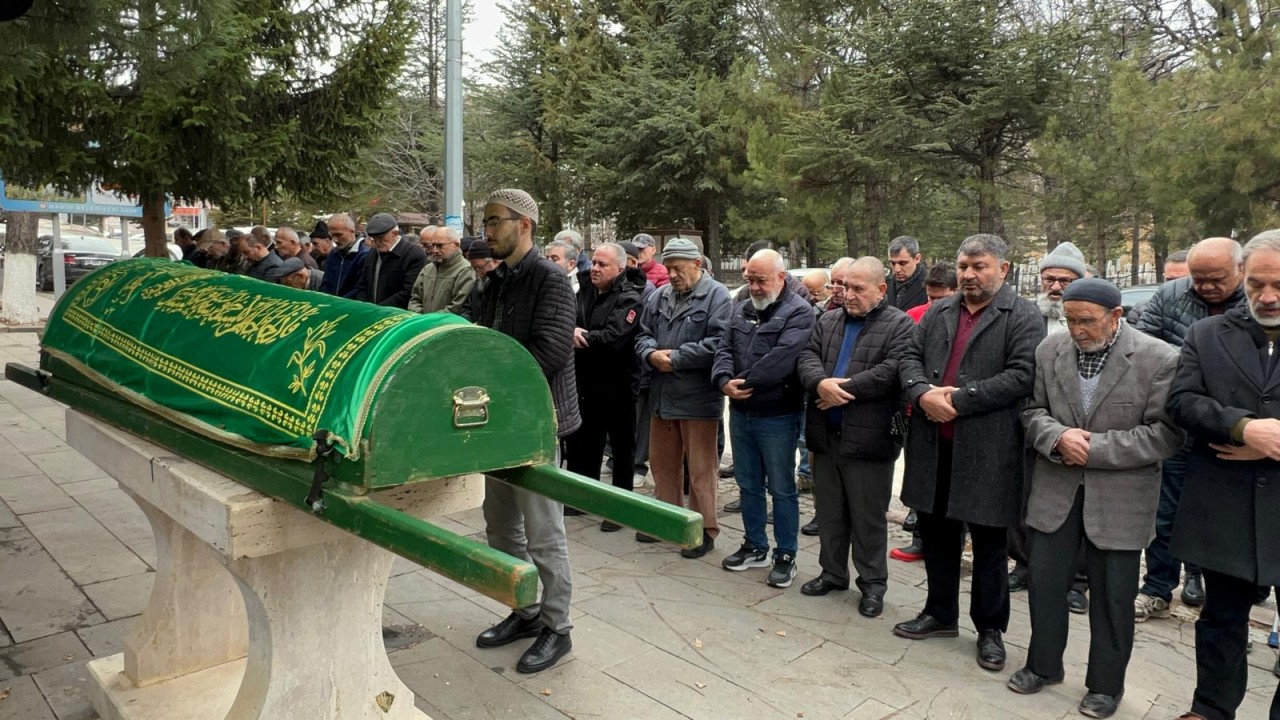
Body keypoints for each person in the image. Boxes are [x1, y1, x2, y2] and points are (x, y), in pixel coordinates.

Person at [1009, 278, 1182, 719]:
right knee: (1045, 586)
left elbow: (1166, 434)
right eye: (1069, 320)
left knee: (1112, 597)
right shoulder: (1050, 351)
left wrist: (1095, 449)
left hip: (1120, 500)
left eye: (1087, 321)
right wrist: (1057, 436)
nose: (1077, 330)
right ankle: (1042, 666)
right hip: (1055, 491)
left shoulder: (1159, 358)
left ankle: (1106, 686)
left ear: (1116, 317)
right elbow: (1031, 412)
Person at [893, 234, 1044, 674]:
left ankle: (990, 630)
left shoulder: (1023, 315)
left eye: (979, 266)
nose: (969, 275)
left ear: (1004, 268)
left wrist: (959, 399)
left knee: (989, 544)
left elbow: (1022, 375)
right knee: (938, 535)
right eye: (963, 266)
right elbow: (908, 357)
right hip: (935, 445)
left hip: (988, 449)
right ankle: (940, 613)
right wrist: (922, 394)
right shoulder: (940, 309)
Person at [1165, 229, 1280, 720]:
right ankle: (1210, 707)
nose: (1267, 296)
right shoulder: (1207, 335)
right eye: (1256, 284)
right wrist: (1242, 428)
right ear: (1242, 279)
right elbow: (1182, 402)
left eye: (1279, 285)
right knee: (1221, 618)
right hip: (1227, 503)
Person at [469, 188, 578, 674]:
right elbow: (480, 338)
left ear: (525, 225)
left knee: (544, 533)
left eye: (494, 222)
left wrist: (492, 380)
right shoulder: (495, 281)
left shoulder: (549, 279)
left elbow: (549, 354)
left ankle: (558, 627)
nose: (487, 231)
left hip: (536, 424)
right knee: (499, 526)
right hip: (499, 425)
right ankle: (526, 610)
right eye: (485, 221)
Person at [1133, 237, 1246, 619]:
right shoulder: (1169, 296)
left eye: (1216, 278)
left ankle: (1215, 598)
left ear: (1239, 270)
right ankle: (1157, 588)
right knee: (1166, 513)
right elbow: (1145, 349)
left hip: (1232, 429)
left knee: (1222, 520)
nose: (1206, 286)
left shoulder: (1255, 304)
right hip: (1178, 421)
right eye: (1198, 278)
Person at [796, 257, 914, 615]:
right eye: (844, 286)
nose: (848, 294)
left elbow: (892, 371)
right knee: (829, 512)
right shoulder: (828, 320)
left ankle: (873, 585)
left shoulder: (900, 325)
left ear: (881, 289)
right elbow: (806, 356)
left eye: (857, 288)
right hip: (826, 435)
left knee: (868, 518)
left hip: (870, 439)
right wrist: (820, 383)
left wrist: (841, 389)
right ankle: (832, 573)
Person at [712, 249, 814, 588]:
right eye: (750, 280)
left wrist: (743, 383)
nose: (754, 287)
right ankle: (755, 544)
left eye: (761, 280)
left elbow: (783, 359)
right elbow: (724, 347)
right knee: (748, 484)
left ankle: (786, 554)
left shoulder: (799, 313)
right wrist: (724, 379)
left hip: (777, 415)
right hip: (741, 412)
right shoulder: (740, 308)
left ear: (781, 278)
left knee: (782, 488)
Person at [635, 237, 730, 556]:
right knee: (662, 465)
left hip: (698, 397)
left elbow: (719, 342)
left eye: (678, 268)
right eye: (668, 268)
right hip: (662, 395)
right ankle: (668, 520)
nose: (672, 274)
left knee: (701, 468)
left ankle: (705, 530)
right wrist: (650, 354)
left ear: (697, 266)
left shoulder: (717, 296)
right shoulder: (659, 296)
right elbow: (643, 334)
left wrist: (675, 357)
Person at [1009, 240, 1090, 612]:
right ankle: (1025, 564)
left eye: (1065, 280)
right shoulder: (1028, 315)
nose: (1055, 287)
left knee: (1079, 507)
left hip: (1079, 428)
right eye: (1049, 279)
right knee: (1024, 498)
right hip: (1030, 421)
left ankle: (1077, 582)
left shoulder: (1095, 315)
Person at [564, 243, 645, 528]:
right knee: (587, 442)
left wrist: (585, 337)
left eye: (603, 265)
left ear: (621, 269)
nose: (595, 268)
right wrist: (573, 331)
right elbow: (569, 320)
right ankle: (586, 497)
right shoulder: (584, 290)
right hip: (586, 379)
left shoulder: (629, 298)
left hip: (618, 383)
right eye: (594, 262)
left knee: (622, 449)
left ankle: (620, 508)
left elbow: (615, 336)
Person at [893, 262, 958, 563]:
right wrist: (922, 395)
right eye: (929, 298)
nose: (933, 305)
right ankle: (920, 537)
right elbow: (907, 361)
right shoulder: (915, 317)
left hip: (956, 415)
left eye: (940, 299)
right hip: (917, 413)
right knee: (921, 481)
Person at [352, 213, 427, 309]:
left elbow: (409, 291)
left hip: (398, 314)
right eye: (374, 240)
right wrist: (364, 304)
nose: (378, 244)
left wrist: (380, 309)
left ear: (395, 234)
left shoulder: (414, 254)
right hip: (372, 311)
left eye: (382, 239)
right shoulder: (373, 253)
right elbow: (362, 284)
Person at [408, 226, 474, 315]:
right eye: (433, 245)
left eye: (440, 246)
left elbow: (457, 306)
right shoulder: (428, 269)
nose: (435, 250)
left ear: (456, 245)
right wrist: (420, 317)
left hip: (447, 326)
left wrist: (433, 320)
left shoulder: (465, 270)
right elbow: (415, 298)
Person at [318, 213, 369, 298]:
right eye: (332, 235)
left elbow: (360, 289)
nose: (335, 240)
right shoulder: (333, 254)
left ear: (352, 231)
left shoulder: (365, 256)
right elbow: (326, 283)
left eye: (338, 235)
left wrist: (339, 303)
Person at [887, 236, 927, 311]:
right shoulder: (885, 285)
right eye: (893, 263)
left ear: (917, 258)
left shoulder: (930, 286)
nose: (897, 269)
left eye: (903, 263)